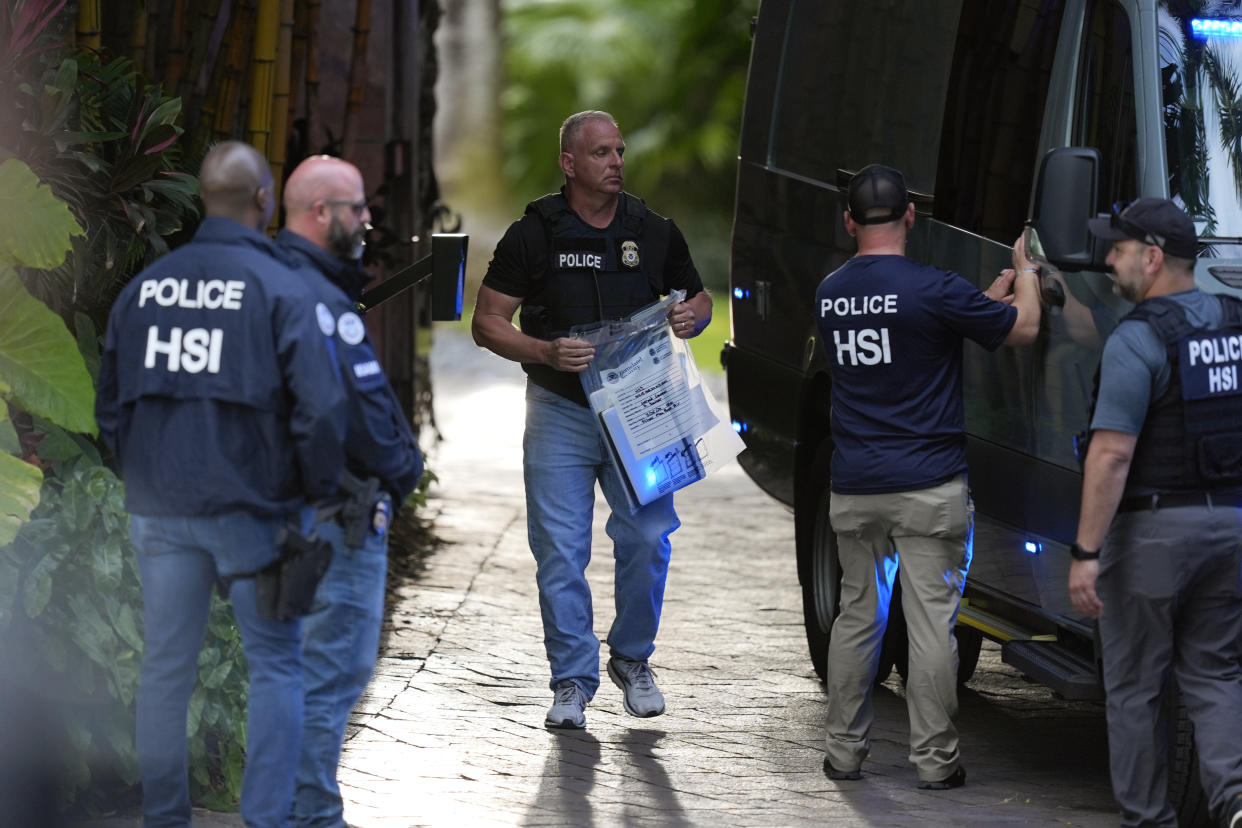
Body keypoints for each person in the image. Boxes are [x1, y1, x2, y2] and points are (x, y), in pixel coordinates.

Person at [95, 140, 348, 827]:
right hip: (252, 510)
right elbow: (323, 408)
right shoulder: (279, 289)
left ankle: (166, 819)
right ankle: (264, 821)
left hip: (159, 507)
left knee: (165, 666)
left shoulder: (144, 289)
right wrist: (314, 495)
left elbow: (110, 403)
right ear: (264, 201)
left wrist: (142, 476)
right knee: (275, 664)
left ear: (202, 197)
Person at [471, 110, 711, 729]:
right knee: (559, 552)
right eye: (601, 153)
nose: (616, 163)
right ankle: (572, 681)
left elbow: (700, 296)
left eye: (620, 151)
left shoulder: (653, 231)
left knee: (648, 538)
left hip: (643, 412)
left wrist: (695, 318)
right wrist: (544, 351)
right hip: (560, 409)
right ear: (569, 163)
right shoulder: (534, 234)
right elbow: (488, 320)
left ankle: (632, 658)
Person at [814, 164, 1041, 789]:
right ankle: (936, 764)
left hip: (856, 485)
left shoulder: (830, 293)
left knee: (859, 615)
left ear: (849, 221)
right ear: (911, 215)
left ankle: (843, 753)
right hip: (927, 485)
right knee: (930, 622)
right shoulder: (933, 288)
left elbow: (905, 336)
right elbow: (1023, 327)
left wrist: (980, 304)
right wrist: (1024, 273)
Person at [1066, 197, 1242, 828]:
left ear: (1153, 256)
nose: (1108, 261)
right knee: (1215, 673)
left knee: (1135, 686)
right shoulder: (1235, 321)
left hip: (1154, 537)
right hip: (1233, 529)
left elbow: (1111, 456)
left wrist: (1086, 553)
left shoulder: (1138, 338)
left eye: (1117, 249)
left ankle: (1148, 821)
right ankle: (1237, 802)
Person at [276, 154, 424, 827]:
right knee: (332, 672)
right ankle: (313, 815)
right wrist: (402, 468)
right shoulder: (316, 297)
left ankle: (293, 807)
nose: (367, 219)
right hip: (337, 515)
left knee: (300, 672)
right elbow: (355, 413)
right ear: (318, 213)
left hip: (297, 512)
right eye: (356, 208)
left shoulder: (277, 280)